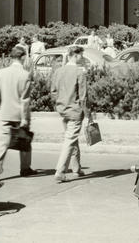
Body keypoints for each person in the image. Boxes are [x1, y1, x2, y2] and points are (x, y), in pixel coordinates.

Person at [0, 46, 35, 176]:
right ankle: (25, 168)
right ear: (23, 57)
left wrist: (2, 105)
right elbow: (25, 100)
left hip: (5, 113)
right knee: (25, 141)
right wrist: (25, 119)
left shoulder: (1, 73)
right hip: (19, 115)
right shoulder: (25, 75)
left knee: (1, 144)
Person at [50, 45, 90, 183]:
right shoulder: (80, 73)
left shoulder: (58, 71)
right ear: (77, 55)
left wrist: (59, 105)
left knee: (72, 138)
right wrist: (88, 114)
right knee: (70, 140)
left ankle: (76, 168)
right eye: (82, 55)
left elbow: (53, 91)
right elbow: (83, 97)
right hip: (75, 111)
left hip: (63, 110)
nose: (82, 58)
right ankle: (60, 171)